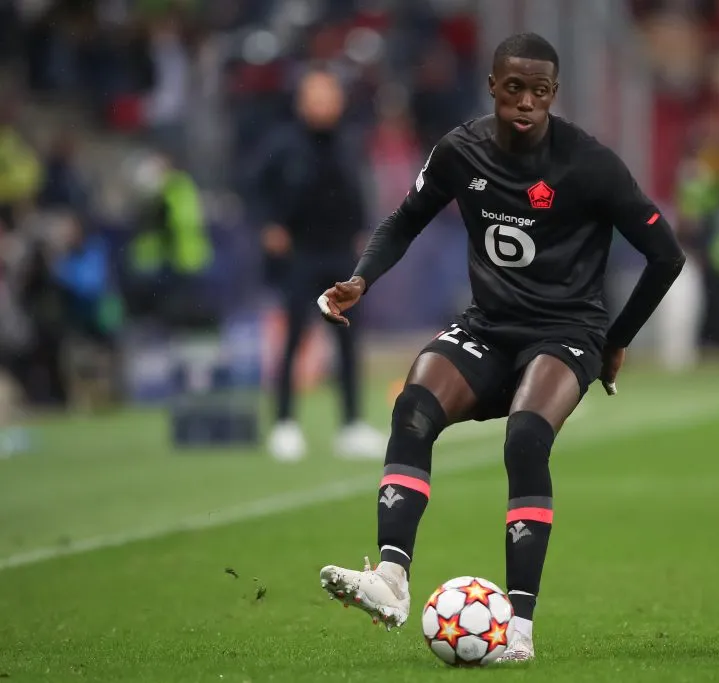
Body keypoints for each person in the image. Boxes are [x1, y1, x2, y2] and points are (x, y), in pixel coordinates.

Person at [316, 34, 685, 662]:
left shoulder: (589, 163)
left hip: (567, 331)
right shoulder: (460, 151)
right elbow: (404, 220)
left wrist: (615, 340)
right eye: (514, 88)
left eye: (539, 91)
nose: (526, 102)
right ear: (492, 86)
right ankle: (392, 580)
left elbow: (666, 255)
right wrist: (361, 279)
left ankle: (519, 628)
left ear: (554, 94)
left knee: (525, 436)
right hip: (489, 325)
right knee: (414, 405)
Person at [248, 66, 385, 462]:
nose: (323, 105)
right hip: (299, 254)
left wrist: (363, 229)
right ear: (302, 102)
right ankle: (284, 424)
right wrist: (269, 225)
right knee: (294, 337)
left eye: (328, 97)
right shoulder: (282, 144)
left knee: (348, 340)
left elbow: (359, 190)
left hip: (341, 253)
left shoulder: (349, 142)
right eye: (315, 97)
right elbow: (254, 188)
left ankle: (352, 425)